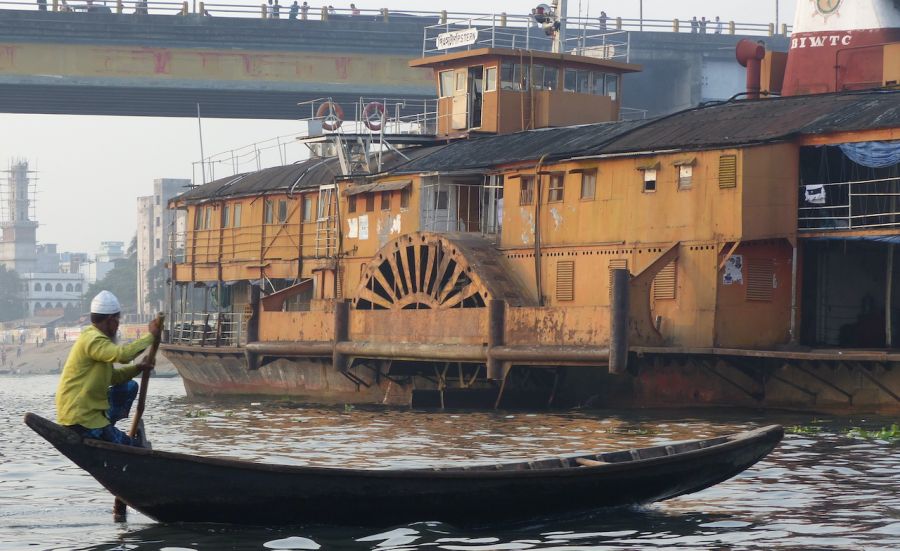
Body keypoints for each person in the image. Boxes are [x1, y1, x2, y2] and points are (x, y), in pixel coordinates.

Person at [55, 291, 160, 447]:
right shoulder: (93, 339)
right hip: (80, 416)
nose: (117, 326)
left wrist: (138, 368)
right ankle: (109, 432)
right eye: (117, 321)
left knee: (130, 386)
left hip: (90, 411)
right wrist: (151, 336)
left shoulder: (98, 341)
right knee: (130, 445)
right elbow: (123, 355)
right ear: (111, 321)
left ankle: (107, 425)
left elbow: (112, 377)